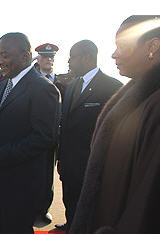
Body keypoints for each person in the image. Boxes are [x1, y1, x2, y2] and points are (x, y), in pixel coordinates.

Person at [69, 15, 160, 234]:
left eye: (122, 46)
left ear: (153, 47)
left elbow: (147, 200)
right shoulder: (138, 96)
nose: (113, 54)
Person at [0, 32, 61, 234]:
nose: (0, 61)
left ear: (26, 56)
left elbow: (43, 138)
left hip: (21, 187)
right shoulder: (1, 86)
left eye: (5, 55)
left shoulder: (43, 88)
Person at [56, 40, 122, 232]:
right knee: (70, 202)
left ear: (87, 58)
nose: (68, 62)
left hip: (91, 165)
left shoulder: (111, 87)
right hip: (69, 164)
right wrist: (61, 158)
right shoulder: (72, 85)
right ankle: (71, 225)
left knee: (90, 213)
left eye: (72, 58)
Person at [33, 42, 61, 224]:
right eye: (45, 56)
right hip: (33, 135)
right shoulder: (32, 81)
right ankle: (31, 207)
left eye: (51, 57)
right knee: (32, 173)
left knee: (47, 175)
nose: (49, 59)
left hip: (53, 138)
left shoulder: (63, 81)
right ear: (38, 59)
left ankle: (44, 209)